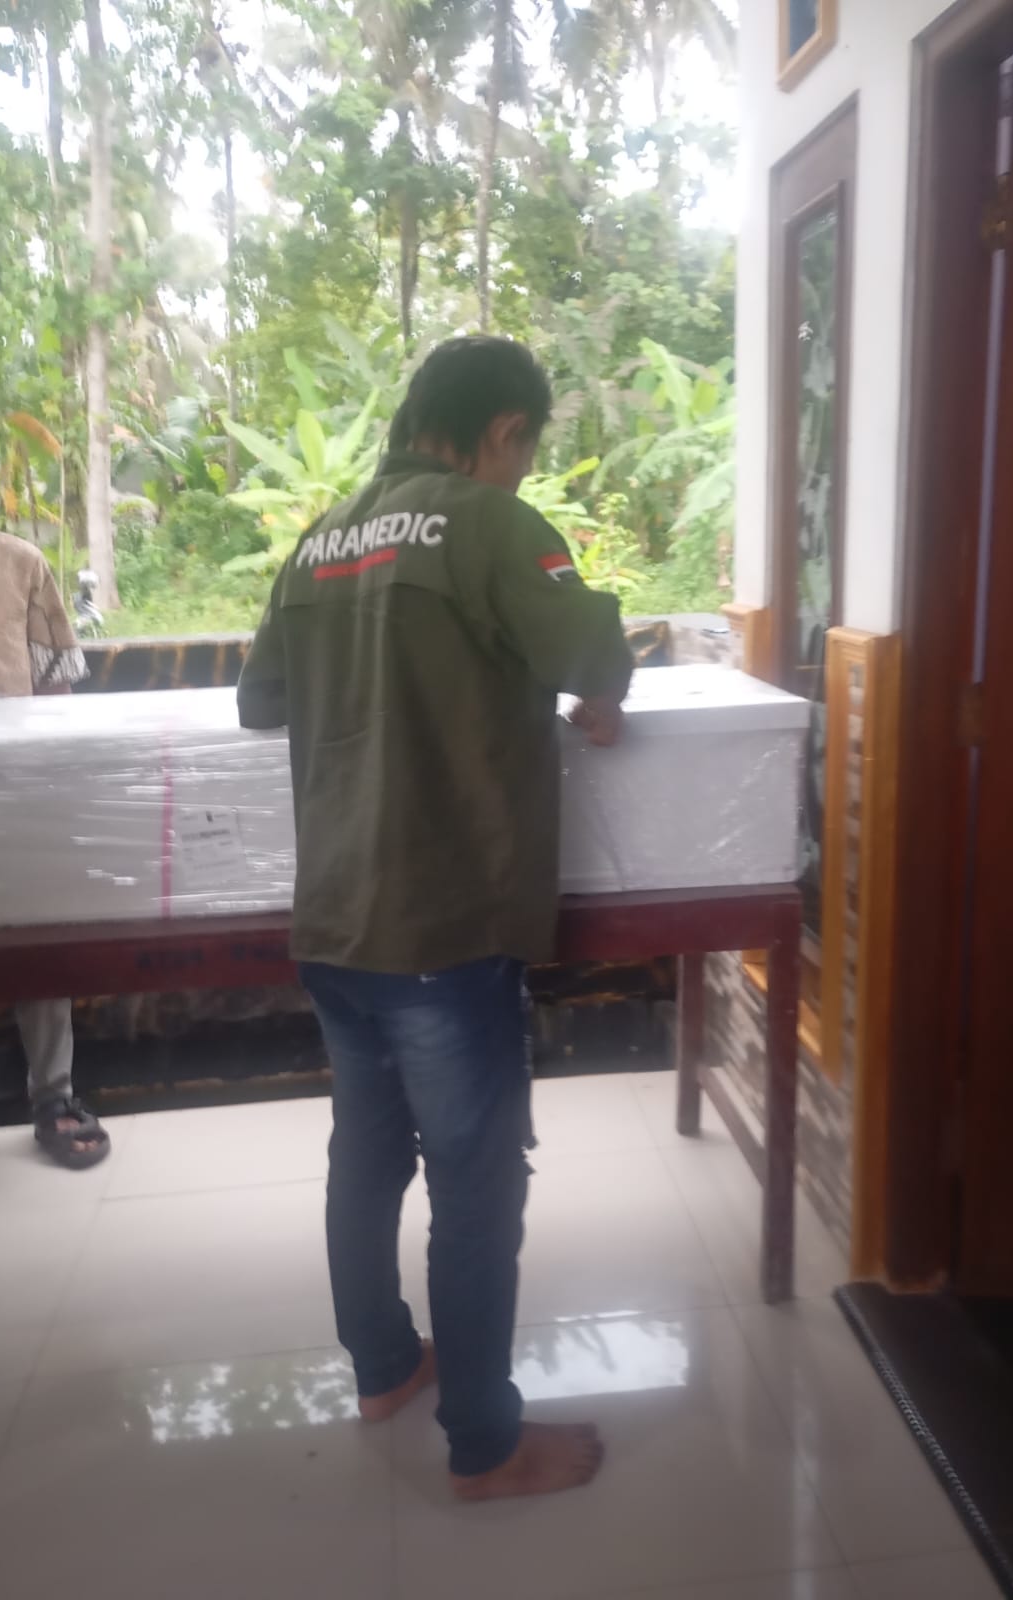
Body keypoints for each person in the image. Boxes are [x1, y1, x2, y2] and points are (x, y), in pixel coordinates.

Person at [237, 337, 634, 1500]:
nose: (520, 470)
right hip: (443, 921)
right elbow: (593, 650)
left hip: (335, 919)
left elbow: (261, 699)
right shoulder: (490, 524)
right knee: (474, 1187)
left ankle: (383, 1369)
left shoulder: (320, 538)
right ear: (504, 431)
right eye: (525, 451)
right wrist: (590, 688)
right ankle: (484, 1444)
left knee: (365, 1157)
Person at [0, 401, 111, 1191]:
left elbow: (57, 689)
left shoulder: (21, 565)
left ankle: (55, 1097)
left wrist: (53, 796)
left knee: (40, 944)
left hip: (18, 799)